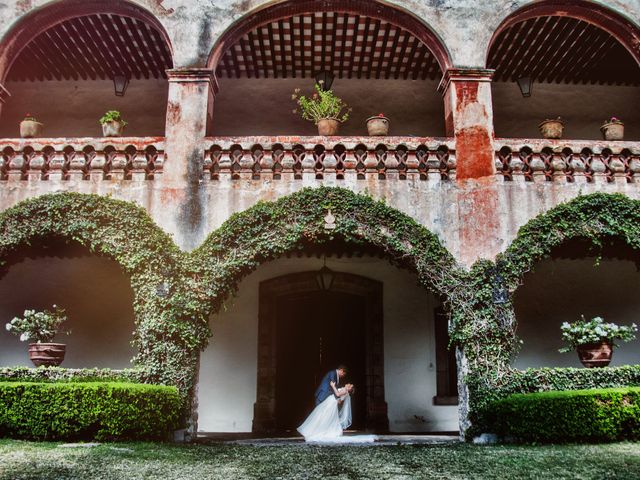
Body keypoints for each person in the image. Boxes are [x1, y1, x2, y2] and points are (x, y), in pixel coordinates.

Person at [298, 365, 376, 443]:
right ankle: (315, 431)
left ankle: (315, 431)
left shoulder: (345, 391)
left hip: (331, 402)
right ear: (341, 370)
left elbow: (338, 394)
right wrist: (337, 396)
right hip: (330, 401)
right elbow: (339, 400)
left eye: (350, 385)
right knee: (322, 415)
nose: (348, 383)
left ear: (349, 389)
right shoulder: (334, 376)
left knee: (322, 416)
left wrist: (333, 386)